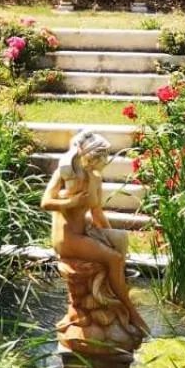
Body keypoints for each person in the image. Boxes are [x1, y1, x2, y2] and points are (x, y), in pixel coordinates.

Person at [41, 130, 150, 340]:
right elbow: (45, 202)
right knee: (114, 258)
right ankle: (131, 313)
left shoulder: (95, 178)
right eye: (102, 155)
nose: (106, 159)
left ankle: (112, 303)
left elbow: (97, 213)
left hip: (84, 232)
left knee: (120, 241)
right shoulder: (66, 174)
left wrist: (109, 235)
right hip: (68, 238)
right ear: (90, 155)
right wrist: (70, 203)